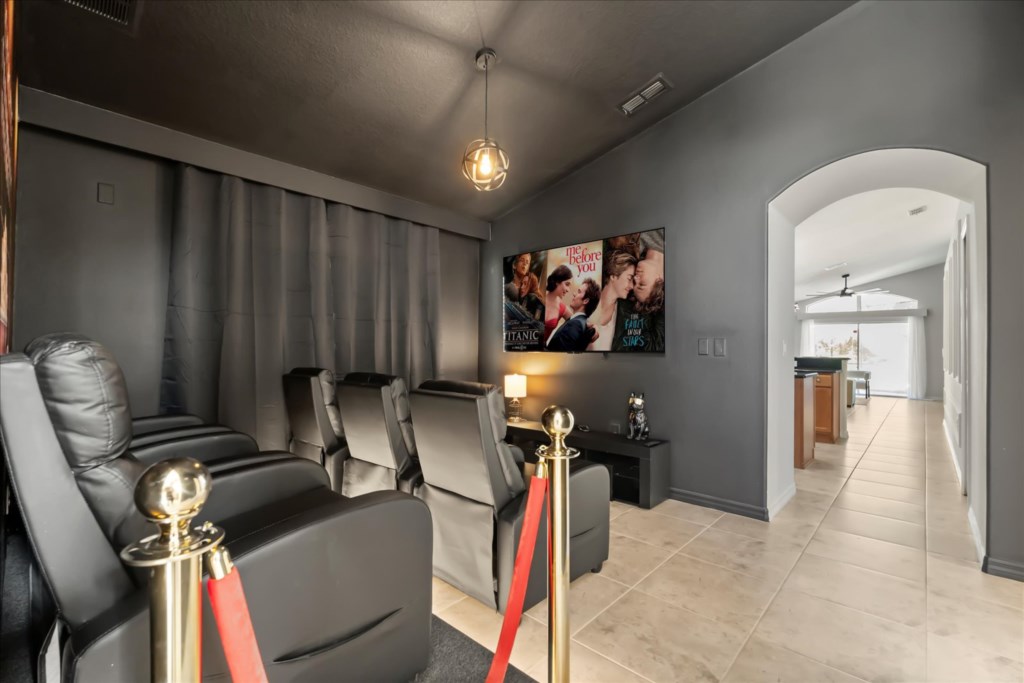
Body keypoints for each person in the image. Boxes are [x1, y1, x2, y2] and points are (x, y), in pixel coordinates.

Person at [587, 250, 636, 351]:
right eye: (629, 278)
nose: (632, 286)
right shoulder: (585, 301)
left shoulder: (627, 314)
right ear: (613, 275)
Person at [547, 278, 600, 352]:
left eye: (579, 292)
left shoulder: (575, 324)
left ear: (585, 300)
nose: (574, 294)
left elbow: (561, 354)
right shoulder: (579, 322)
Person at [543, 265, 573, 343]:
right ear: (557, 281)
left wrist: (594, 326)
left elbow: (578, 321)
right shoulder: (539, 297)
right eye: (567, 284)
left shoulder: (562, 308)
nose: (568, 290)